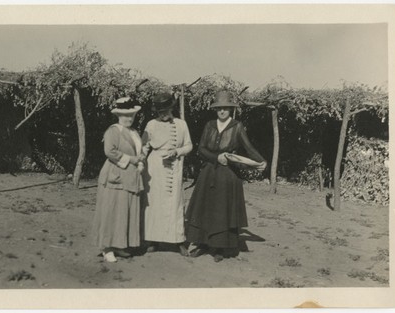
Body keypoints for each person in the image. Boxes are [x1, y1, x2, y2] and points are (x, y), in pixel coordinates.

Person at [185, 90, 267, 262]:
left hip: (228, 175)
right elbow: (201, 150)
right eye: (219, 108)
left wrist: (261, 161)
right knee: (205, 208)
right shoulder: (209, 125)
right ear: (215, 110)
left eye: (226, 108)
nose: (222, 111)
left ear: (231, 110)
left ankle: (219, 248)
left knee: (222, 210)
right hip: (209, 172)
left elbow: (248, 147)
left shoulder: (237, 126)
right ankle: (202, 244)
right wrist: (217, 157)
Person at [91, 97, 145, 263]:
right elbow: (110, 151)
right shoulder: (113, 131)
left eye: (131, 115)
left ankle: (119, 245)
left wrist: (141, 157)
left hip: (131, 176)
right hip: (116, 175)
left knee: (124, 212)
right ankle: (107, 248)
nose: (129, 118)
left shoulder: (134, 132)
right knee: (112, 211)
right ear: (118, 116)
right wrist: (131, 159)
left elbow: (138, 151)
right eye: (125, 115)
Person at [141, 92, 193, 256]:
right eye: (159, 111)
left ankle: (178, 241)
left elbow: (189, 145)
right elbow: (144, 146)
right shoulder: (150, 125)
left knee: (174, 203)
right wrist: (141, 160)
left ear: (172, 109)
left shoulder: (181, 124)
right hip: (155, 167)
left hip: (174, 166)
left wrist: (177, 151)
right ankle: (153, 239)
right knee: (154, 204)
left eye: (166, 110)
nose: (163, 114)